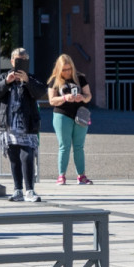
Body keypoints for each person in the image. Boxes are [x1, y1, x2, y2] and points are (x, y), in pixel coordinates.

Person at [0, 48, 47, 203]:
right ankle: (17, 190)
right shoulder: (4, 76)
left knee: (27, 156)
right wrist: (6, 82)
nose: (20, 62)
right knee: (14, 158)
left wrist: (27, 81)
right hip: (8, 126)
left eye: (23, 59)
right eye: (17, 59)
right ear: (11, 61)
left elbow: (40, 92)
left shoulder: (31, 78)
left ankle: (30, 190)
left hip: (27, 125)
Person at [46, 54, 93, 185]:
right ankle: (61, 176)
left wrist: (82, 98)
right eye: (64, 70)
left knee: (79, 146)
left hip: (81, 115)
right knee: (64, 146)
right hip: (62, 115)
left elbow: (89, 96)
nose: (67, 72)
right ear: (59, 69)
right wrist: (65, 98)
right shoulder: (54, 80)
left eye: (69, 69)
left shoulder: (80, 78)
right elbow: (51, 100)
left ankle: (81, 176)